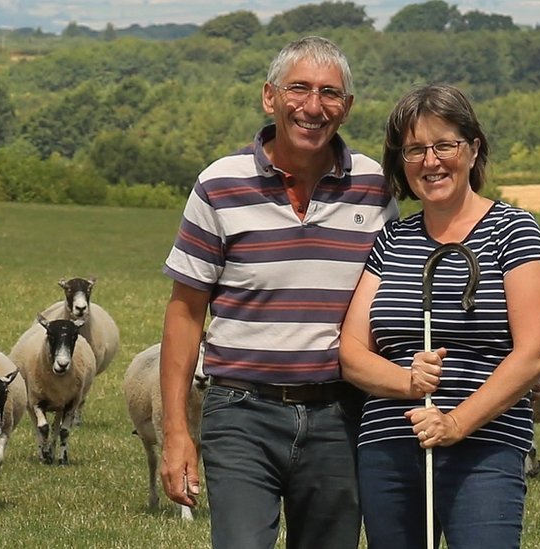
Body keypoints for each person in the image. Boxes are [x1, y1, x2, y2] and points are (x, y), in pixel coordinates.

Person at [157, 36, 398, 549]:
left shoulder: (375, 188)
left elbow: (392, 296)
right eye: (299, 89)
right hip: (241, 413)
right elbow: (184, 315)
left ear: (347, 107)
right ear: (270, 97)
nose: (313, 107)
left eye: (330, 93)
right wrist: (177, 432)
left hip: (340, 416)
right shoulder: (219, 185)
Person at [338, 83, 540, 549]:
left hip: (486, 447)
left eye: (445, 145)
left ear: (473, 149)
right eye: (414, 150)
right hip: (389, 448)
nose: (430, 162)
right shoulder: (391, 240)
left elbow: (536, 351)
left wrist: (456, 423)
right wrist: (407, 383)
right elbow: (352, 354)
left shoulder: (512, 229)